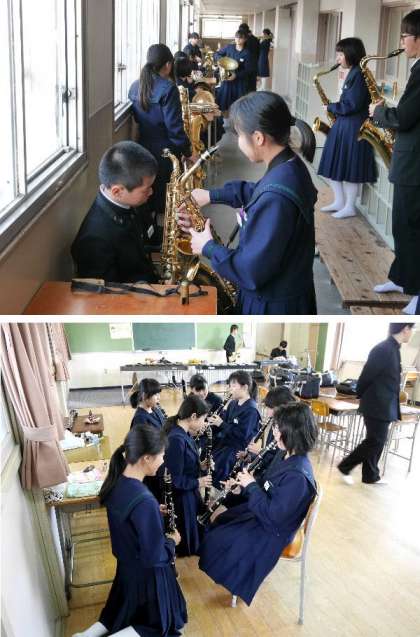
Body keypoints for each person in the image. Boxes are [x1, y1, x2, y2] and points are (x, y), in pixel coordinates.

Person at [177, 91, 318, 315]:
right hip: (288, 292)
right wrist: (211, 195)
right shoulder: (289, 165)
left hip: (272, 306)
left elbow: (250, 271)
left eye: (240, 136)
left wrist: (208, 247)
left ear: (259, 138)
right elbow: (258, 191)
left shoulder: (276, 198)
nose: (239, 142)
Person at [198, 402, 318, 606]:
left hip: (273, 530)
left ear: (294, 433)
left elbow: (274, 516)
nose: (274, 433)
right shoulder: (285, 454)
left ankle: (236, 580)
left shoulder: (298, 477)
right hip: (264, 514)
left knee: (220, 539)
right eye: (276, 427)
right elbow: (266, 483)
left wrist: (251, 486)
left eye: (279, 429)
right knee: (220, 522)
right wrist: (241, 488)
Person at [72, 425, 186, 637]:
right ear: (146, 458)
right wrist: (172, 541)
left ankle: (84, 635)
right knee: (156, 625)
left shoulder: (116, 482)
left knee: (116, 613)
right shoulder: (145, 500)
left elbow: (129, 522)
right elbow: (154, 556)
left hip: (126, 569)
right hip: (146, 575)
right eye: (161, 456)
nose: (163, 461)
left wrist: (152, 514)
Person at [369, 9, 420, 315]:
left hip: (415, 167)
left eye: (405, 36)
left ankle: (417, 293)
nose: (401, 42)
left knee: (412, 229)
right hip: (410, 163)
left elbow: (404, 117)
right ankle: (402, 279)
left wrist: (379, 112)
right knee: (403, 227)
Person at [337, 323, 414, 485]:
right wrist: (360, 395)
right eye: (411, 329)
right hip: (376, 404)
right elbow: (366, 375)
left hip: (384, 405)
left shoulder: (393, 348)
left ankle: (370, 475)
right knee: (375, 441)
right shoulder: (383, 349)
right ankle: (345, 466)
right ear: (405, 329)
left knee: (376, 441)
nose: (412, 333)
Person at [71, 142, 159, 283]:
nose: (151, 192)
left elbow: (146, 235)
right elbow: (108, 294)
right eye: (146, 189)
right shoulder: (94, 241)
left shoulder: (132, 200)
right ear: (117, 191)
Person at [128, 44, 193, 233]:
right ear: (168, 65)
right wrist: (189, 152)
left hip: (142, 149)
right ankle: (165, 234)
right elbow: (175, 129)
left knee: (148, 194)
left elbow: (137, 123)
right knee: (166, 197)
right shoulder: (168, 88)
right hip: (166, 153)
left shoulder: (134, 86)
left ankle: (151, 234)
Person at [318, 37, 377, 219]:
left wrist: (331, 107)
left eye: (340, 54)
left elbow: (352, 105)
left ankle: (349, 206)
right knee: (334, 164)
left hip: (353, 127)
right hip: (345, 125)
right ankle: (339, 201)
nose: (337, 58)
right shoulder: (354, 72)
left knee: (351, 169)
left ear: (351, 54)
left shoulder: (359, 74)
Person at [164, 395, 212, 556]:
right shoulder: (176, 439)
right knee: (190, 544)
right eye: (203, 419)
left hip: (189, 492)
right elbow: (174, 480)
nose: (204, 423)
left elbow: (185, 463)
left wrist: (201, 465)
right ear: (193, 416)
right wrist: (199, 482)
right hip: (182, 498)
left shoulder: (183, 433)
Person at [208, 370, 261, 488]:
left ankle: (222, 489)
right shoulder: (233, 404)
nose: (230, 389)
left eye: (233, 385)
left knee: (221, 463)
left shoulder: (251, 410)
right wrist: (213, 423)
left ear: (245, 387)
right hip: (226, 443)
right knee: (209, 453)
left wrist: (221, 424)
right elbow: (225, 423)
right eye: (229, 385)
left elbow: (243, 436)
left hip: (238, 449)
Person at [214, 30, 251, 114]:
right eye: (236, 37)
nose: (238, 39)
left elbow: (248, 70)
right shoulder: (229, 47)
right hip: (227, 80)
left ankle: (236, 119)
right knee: (223, 103)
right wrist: (221, 60)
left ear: (245, 39)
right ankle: (223, 118)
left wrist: (236, 75)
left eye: (240, 38)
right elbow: (216, 54)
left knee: (238, 105)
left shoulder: (247, 53)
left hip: (239, 83)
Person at [239, 22, 260, 92]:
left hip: (246, 65)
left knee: (245, 84)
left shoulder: (245, 40)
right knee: (252, 85)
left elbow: (242, 52)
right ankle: (252, 97)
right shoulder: (256, 39)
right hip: (254, 65)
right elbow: (258, 53)